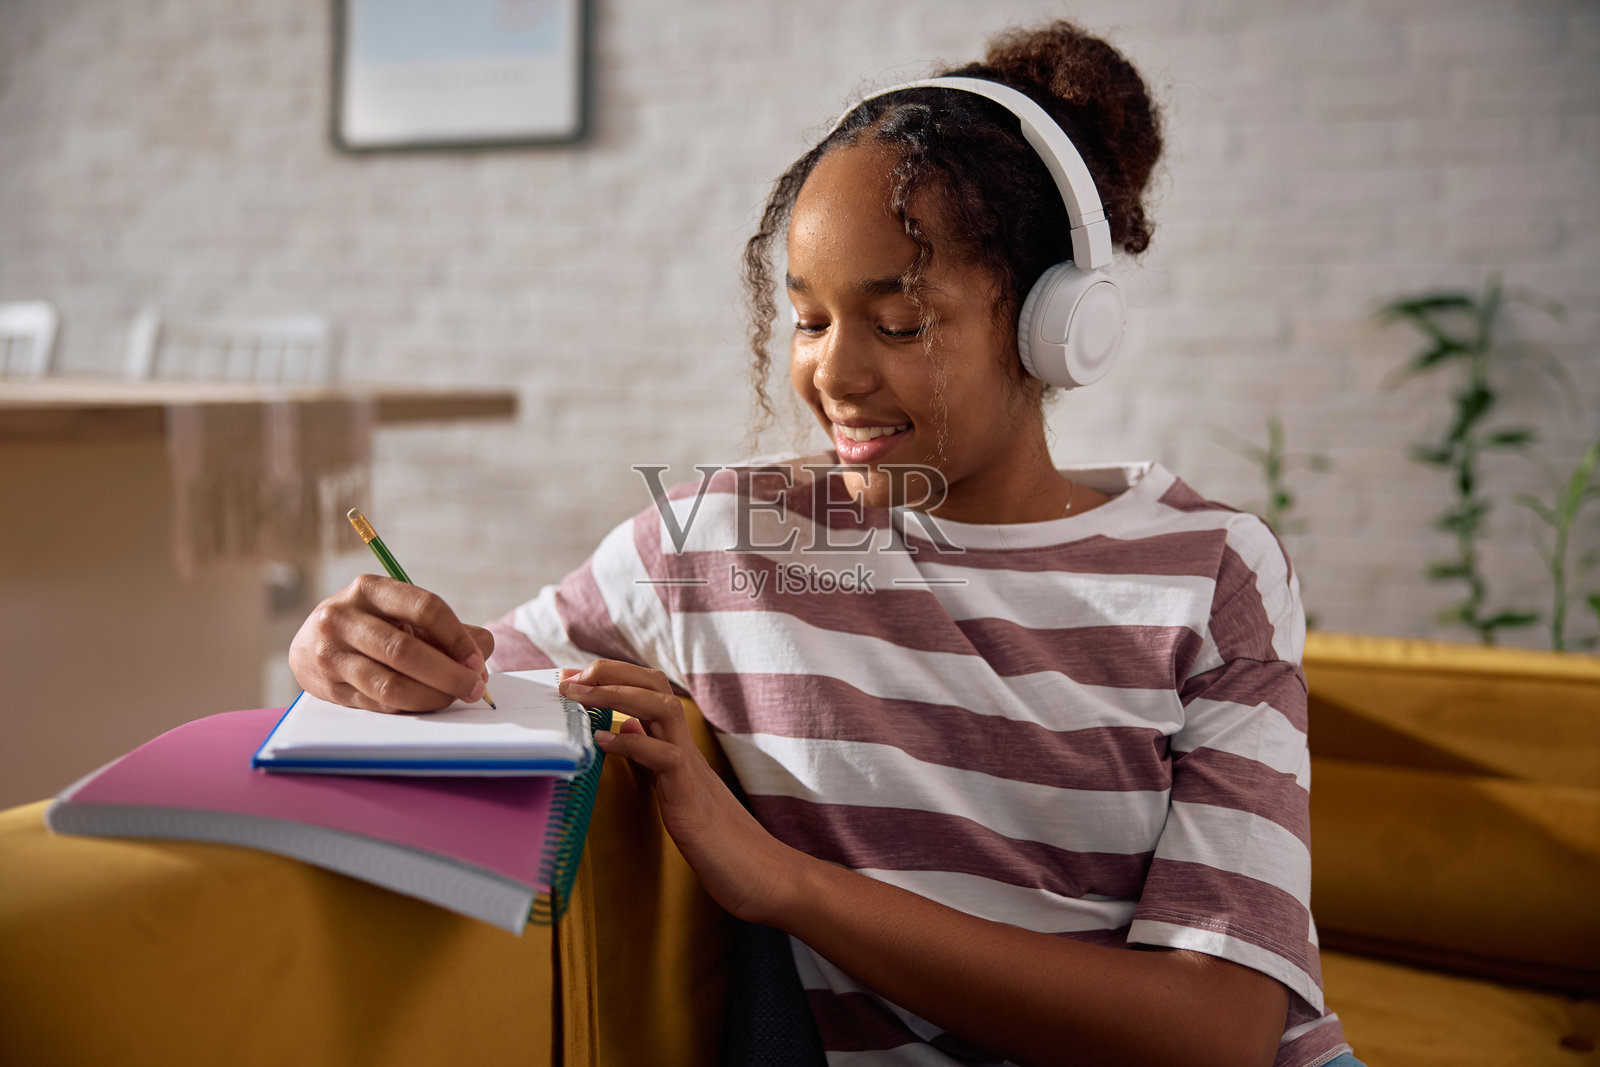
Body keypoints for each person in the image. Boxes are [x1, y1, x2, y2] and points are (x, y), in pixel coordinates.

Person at [290, 20, 1362, 1067]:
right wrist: (353, 656)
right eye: (807, 320)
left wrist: (785, 880)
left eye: (897, 325)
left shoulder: (1209, 568)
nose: (833, 377)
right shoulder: (719, 543)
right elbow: (468, 686)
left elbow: (1214, 1030)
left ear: (1052, 327)